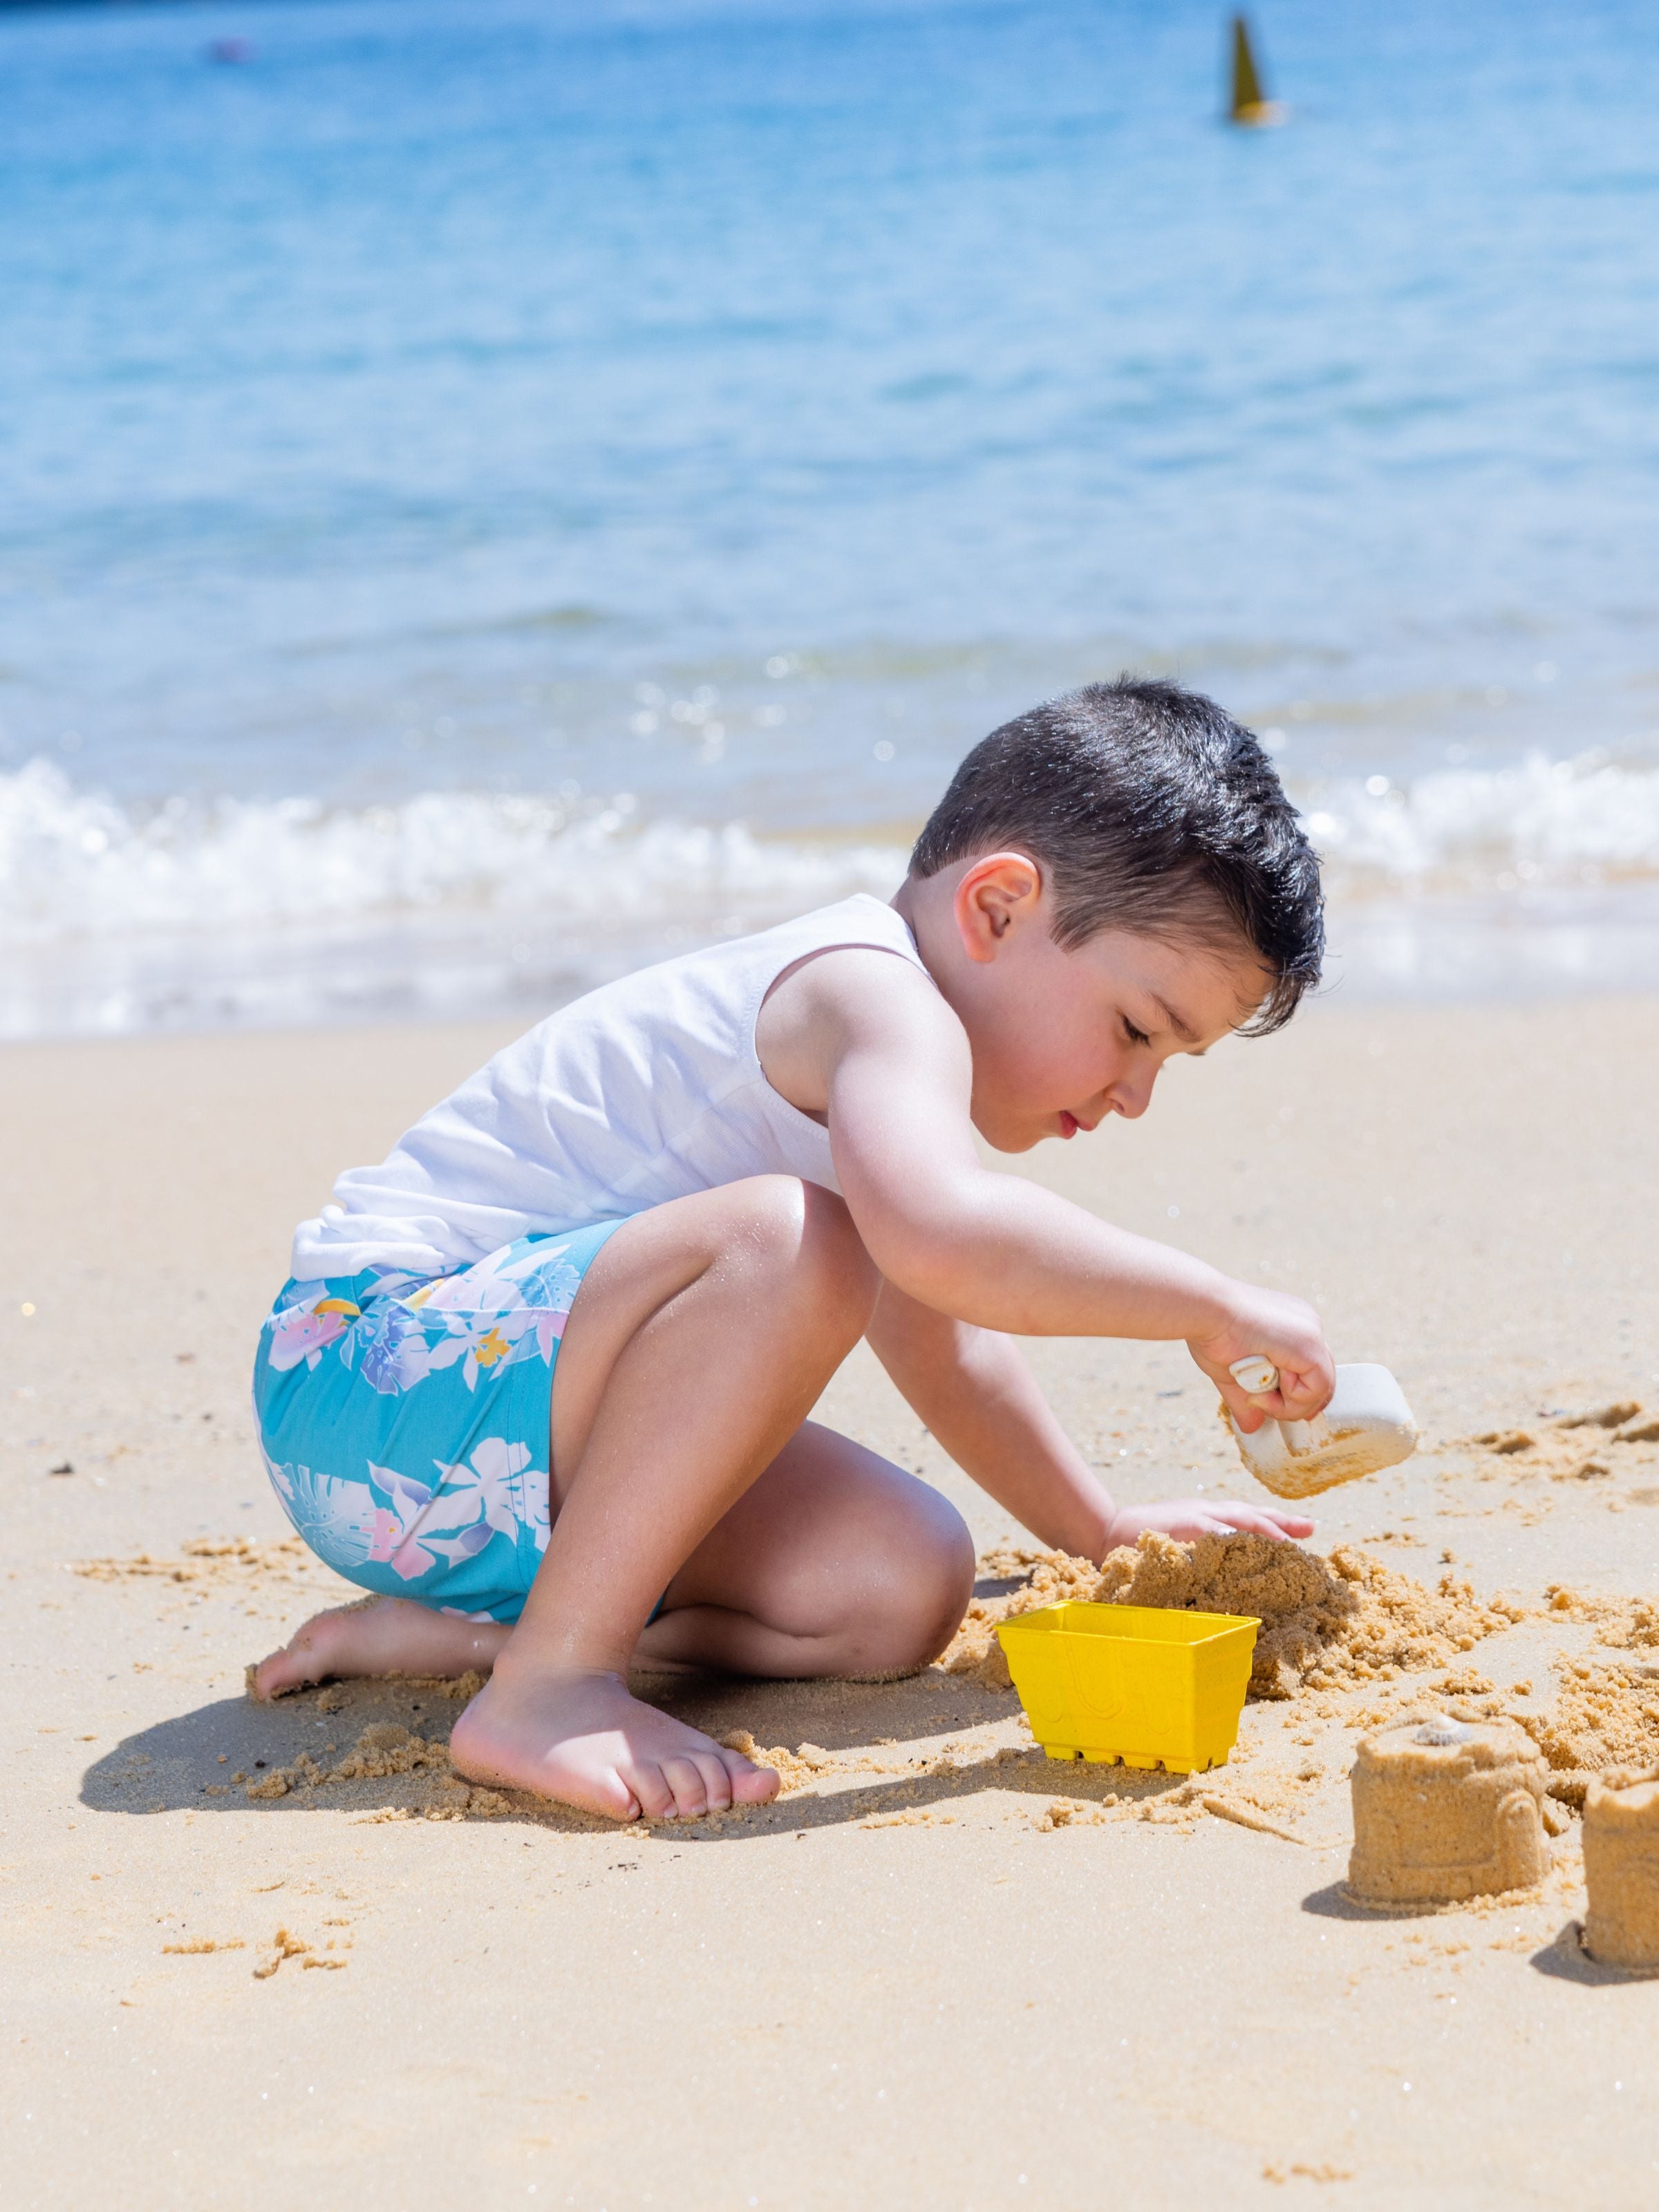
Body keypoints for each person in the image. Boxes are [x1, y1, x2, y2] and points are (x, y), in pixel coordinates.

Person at [250, 677, 1334, 1823]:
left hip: (486, 1471)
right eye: (1134, 1030)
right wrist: (1207, 1304)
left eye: (1172, 1060)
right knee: (796, 1243)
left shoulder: (891, 1096)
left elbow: (947, 1346)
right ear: (999, 908)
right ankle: (548, 1684)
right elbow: (947, 1241)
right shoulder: (866, 995)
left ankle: (482, 1636)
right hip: (361, 1373)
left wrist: (1097, 1528)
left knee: (901, 1583)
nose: (1136, 1093)